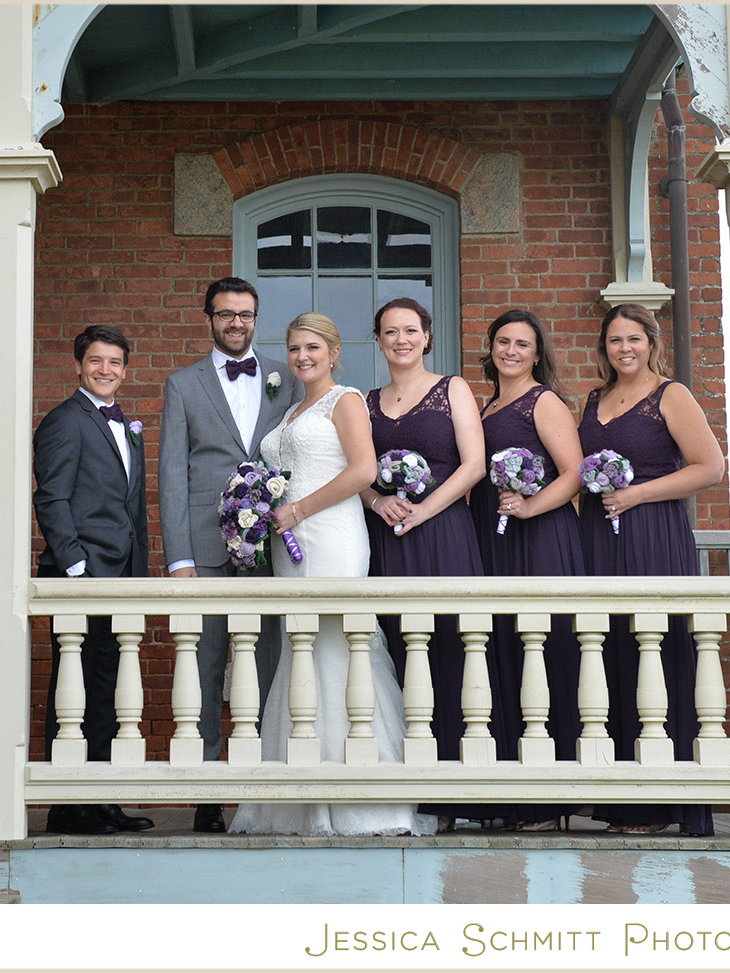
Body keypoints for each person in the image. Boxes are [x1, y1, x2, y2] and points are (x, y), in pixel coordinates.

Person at [229, 313, 436, 836]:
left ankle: (366, 797)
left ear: (334, 351)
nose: (302, 356)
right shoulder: (291, 409)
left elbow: (364, 470)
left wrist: (297, 511)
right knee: (301, 646)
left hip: (332, 538)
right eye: (295, 347)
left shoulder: (345, 401)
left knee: (337, 645)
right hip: (289, 545)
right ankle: (298, 793)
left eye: (313, 347)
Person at [159, 277, 302, 833]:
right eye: (225, 314)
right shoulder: (182, 383)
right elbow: (172, 471)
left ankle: (265, 790)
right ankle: (207, 794)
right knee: (204, 667)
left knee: (273, 665)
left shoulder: (285, 378)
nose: (236, 323)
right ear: (209, 318)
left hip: (272, 544)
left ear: (256, 317)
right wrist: (179, 558)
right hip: (205, 545)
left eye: (245, 314)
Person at [578, 303, 724, 836]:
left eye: (634, 339)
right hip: (600, 536)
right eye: (615, 340)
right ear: (605, 347)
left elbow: (710, 468)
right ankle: (622, 802)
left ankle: (665, 804)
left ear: (651, 342)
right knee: (609, 651)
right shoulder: (595, 400)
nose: (624, 349)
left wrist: (637, 494)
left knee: (657, 650)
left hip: (654, 534)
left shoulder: (672, 394)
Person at [360, 297, 484, 832]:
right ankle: (408, 787)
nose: (401, 340)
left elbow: (474, 464)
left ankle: (458, 794)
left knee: (451, 650)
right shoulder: (365, 402)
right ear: (380, 340)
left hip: (445, 536)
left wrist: (425, 511)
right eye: (391, 332)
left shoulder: (452, 388)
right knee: (397, 653)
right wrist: (375, 501)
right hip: (387, 539)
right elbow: (356, 470)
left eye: (411, 330)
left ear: (426, 337)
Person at [33, 325, 154, 836]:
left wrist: (140, 578)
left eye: (114, 363)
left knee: (107, 689)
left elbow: (133, 510)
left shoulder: (124, 425)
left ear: (125, 371)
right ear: (79, 366)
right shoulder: (65, 421)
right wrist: (76, 565)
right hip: (82, 578)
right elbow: (51, 498)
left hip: (121, 579)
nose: (105, 370)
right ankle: (68, 804)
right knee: (73, 691)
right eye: (96, 361)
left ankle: (100, 800)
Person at [470, 309, 585, 832]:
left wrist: (531, 509)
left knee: (542, 646)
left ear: (538, 354)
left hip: (538, 538)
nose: (510, 351)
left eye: (522, 344)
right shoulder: (488, 404)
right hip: (495, 540)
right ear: (490, 347)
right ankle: (512, 793)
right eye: (503, 341)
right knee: (505, 652)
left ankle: (548, 799)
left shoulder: (545, 402)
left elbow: (575, 474)